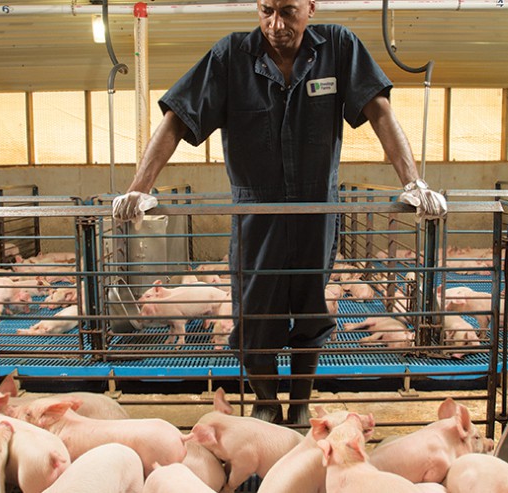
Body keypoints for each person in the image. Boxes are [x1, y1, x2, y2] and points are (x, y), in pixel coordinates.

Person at [112, 0, 447, 425]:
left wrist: (412, 181)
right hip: (256, 209)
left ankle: (301, 403)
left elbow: (379, 111)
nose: (276, 24)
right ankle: (266, 400)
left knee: (312, 308)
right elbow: (177, 118)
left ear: (311, 6)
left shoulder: (339, 47)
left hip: (317, 207)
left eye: (288, 11)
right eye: (266, 10)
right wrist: (138, 189)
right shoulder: (230, 55)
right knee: (255, 312)